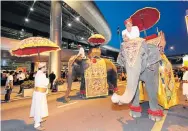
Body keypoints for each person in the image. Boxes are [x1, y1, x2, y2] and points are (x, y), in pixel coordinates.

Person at [30, 62, 49, 130]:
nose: (46, 68)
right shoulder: (41, 74)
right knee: (38, 108)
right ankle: (37, 124)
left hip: (38, 93)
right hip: (39, 94)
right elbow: (45, 83)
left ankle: (39, 119)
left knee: (38, 107)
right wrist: (47, 79)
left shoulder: (38, 73)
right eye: (45, 67)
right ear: (43, 67)